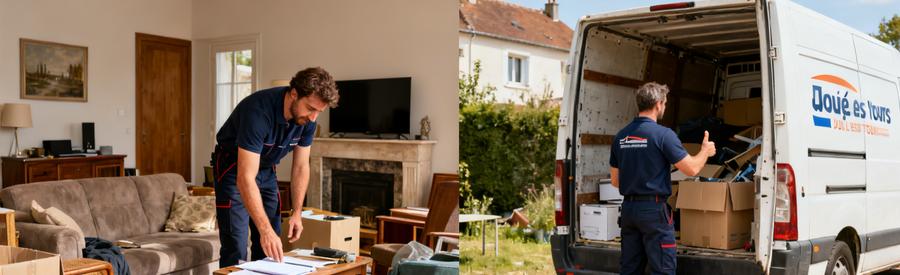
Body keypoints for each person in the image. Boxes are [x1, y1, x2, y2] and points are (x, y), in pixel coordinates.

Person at [211, 67, 340, 267]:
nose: (313, 118)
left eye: (319, 112)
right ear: (294, 94)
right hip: (233, 168)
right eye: (310, 109)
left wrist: (297, 212)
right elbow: (245, 178)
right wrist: (264, 230)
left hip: (266, 169)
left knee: (270, 245)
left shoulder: (308, 122)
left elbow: (300, 167)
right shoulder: (258, 112)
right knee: (236, 245)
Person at [609, 82, 715, 275]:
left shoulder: (620, 137)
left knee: (630, 269)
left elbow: (615, 181)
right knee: (663, 270)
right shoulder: (664, 135)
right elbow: (691, 169)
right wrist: (705, 152)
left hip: (629, 211)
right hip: (654, 211)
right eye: (665, 103)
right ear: (658, 104)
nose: (665, 107)